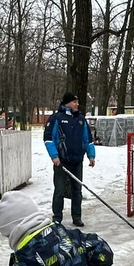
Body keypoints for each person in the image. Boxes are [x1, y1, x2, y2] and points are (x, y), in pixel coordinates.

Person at [45, 92, 95, 227]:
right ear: (67, 103)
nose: (77, 104)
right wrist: (54, 156)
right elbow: (49, 139)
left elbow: (87, 139)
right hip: (61, 161)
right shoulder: (56, 118)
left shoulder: (80, 119)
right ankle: (57, 218)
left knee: (76, 191)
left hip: (77, 160)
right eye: (74, 102)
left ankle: (77, 217)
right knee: (59, 190)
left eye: (77, 102)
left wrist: (91, 155)